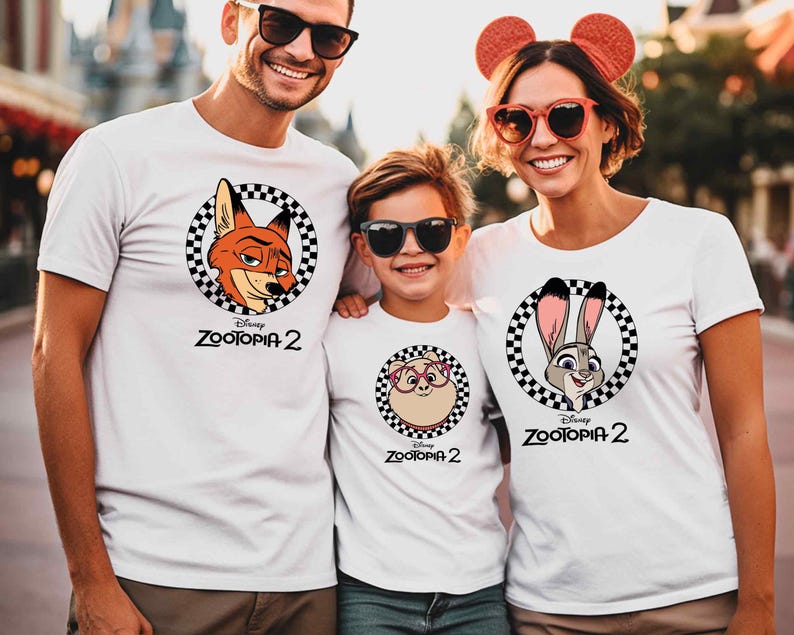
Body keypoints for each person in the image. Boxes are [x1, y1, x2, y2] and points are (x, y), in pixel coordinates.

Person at [32, 1, 376, 634]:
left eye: (328, 35)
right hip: (152, 573)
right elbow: (55, 358)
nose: (302, 49)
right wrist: (90, 578)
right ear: (230, 21)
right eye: (279, 24)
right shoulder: (116, 155)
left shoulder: (339, 183)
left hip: (305, 579)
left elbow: (383, 316)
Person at [459, 12, 775, 635]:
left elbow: (744, 431)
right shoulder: (478, 258)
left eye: (566, 115)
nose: (542, 138)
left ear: (606, 120)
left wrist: (759, 604)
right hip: (547, 604)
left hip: (692, 594)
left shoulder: (697, 240)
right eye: (516, 120)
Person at [323, 143, 510, 634]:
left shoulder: (490, 337)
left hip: (480, 590)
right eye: (386, 236)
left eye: (431, 231)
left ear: (460, 237)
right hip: (370, 592)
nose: (411, 249)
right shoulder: (335, 336)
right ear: (363, 249)